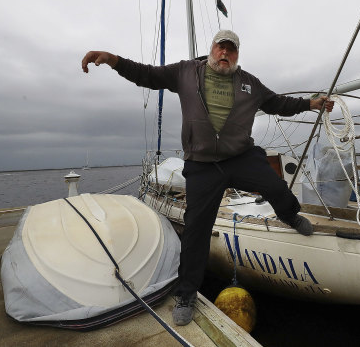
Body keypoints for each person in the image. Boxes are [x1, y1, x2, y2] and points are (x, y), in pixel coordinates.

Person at [81, 29, 334, 326]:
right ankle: (187, 294)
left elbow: (278, 103)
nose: (225, 53)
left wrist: (310, 103)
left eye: (231, 49)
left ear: (237, 54)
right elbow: (146, 74)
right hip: (202, 164)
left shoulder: (249, 83)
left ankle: (290, 216)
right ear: (212, 49)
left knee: (276, 186)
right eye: (220, 47)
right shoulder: (185, 71)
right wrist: (113, 60)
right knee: (196, 231)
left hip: (240, 156)